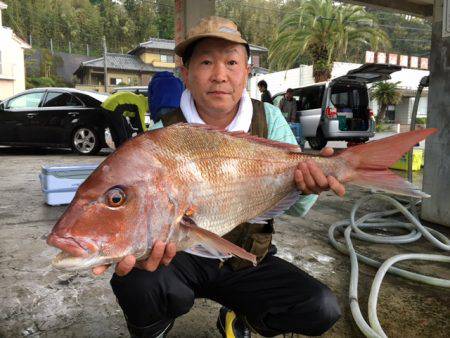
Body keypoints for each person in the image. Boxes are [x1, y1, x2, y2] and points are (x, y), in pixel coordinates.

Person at [93, 16, 345, 338]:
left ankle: (244, 316)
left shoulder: (269, 118)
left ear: (247, 72)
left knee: (320, 307)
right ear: (185, 73)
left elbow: (296, 207)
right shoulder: (162, 134)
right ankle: (154, 329)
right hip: (182, 260)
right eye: (206, 62)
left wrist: (311, 186)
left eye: (231, 62)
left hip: (246, 259)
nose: (219, 75)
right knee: (134, 279)